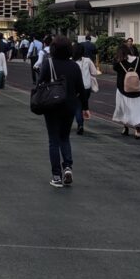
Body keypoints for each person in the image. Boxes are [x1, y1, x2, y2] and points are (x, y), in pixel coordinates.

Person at [37, 36, 84, 188]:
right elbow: (81, 88)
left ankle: (56, 176)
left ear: (53, 49)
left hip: (52, 105)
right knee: (65, 137)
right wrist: (85, 107)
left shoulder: (48, 63)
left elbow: (39, 83)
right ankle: (68, 167)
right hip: (69, 106)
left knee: (53, 140)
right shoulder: (74, 66)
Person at [73, 43, 99, 135]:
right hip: (87, 87)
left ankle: (80, 124)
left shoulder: (71, 61)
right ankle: (83, 116)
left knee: (77, 106)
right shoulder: (87, 60)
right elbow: (94, 72)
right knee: (83, 104)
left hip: (76, 88)